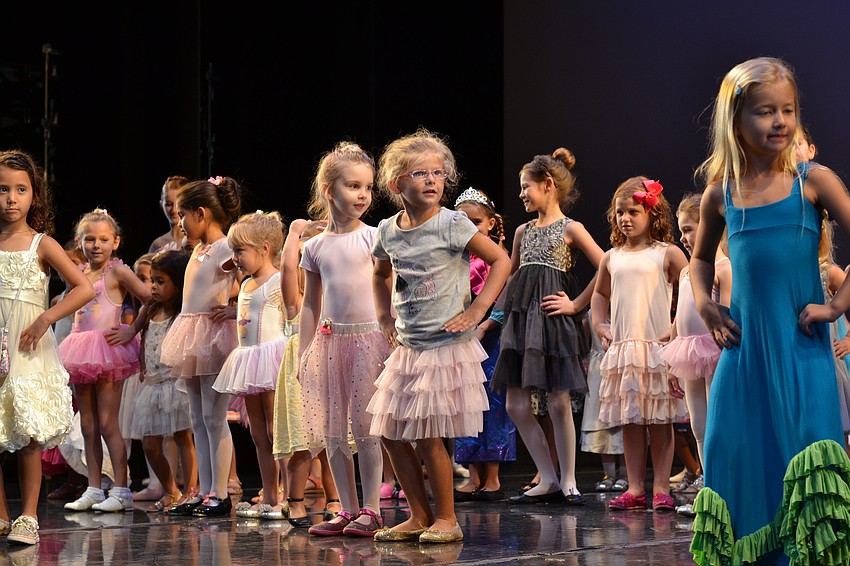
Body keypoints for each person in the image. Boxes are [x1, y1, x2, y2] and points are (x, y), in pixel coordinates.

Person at [691, 56, 850, 564]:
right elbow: (699, 260)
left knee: (805, 456)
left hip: (801, 357)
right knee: (733, 453)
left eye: (788, 110)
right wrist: (707, 306)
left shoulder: (814, 182)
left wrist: (837, 305)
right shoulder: (722, 196)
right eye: (765, 111)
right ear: (735, 120)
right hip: (745, 355)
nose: (779, 121)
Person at [368, 128, 510, 543]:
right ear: (397, 184)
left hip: (444, 348)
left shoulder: (452, 223)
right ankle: (418, 515)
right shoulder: (388, 230)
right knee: (390, 433)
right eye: (420, 173)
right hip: (409, 348)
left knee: (430, 436)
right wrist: (384, 318)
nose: (431, 180)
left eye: (437, 172)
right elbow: (380, 273)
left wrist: (477, 309)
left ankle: (446, 519)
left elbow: (500, 260)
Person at [490, 148, 604, 506]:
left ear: (548, 185)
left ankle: (569, 480)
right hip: (522, 322)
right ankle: (548, 478)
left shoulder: (571, 228)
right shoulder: (523, 231)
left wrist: (576, 304)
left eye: (526, 187)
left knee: (557, 402)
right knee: (515, 404)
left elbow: (607, 265)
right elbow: (508, 276)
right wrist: (487, 318)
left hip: (553, 324)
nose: (521, 194)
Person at [297, 141, 391, 538]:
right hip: (331, 343)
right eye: (353, 186)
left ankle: (372, 508)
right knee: (334, 430)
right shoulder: (315, 246)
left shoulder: (375, 237)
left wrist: (392, 333)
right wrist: (303, 354)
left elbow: (389, 289)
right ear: (328, 190)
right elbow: (308, 305)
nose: (363, 196)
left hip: (369, 340)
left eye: (368, 188)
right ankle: (347, 509)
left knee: (368, 428)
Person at [0, 150, 94, 545]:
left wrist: (46, 319)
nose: (11, 198)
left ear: (34, 196)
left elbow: (84, 288)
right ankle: (1, 515)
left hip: (28, 347)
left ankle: (28, 516)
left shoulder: (42, 244)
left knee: (28, 434)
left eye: (20, 190)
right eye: (3, 189)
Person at [590, 176, 688, 512]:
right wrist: (599, 323)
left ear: (651, 213)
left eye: (633, 211)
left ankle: (661, 486)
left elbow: (692, 287)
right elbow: (600, 294)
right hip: (625, 349)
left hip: (656, 347)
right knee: (631, 421)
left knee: (660, 421)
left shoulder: (666, 253)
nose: (625, 218)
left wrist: (677, 325)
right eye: (620, 212)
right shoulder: (611, 257)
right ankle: (635, 488)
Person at [156, 175, 241, 517]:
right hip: (191, 334)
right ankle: (203, 490)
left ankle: (220, 493)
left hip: (213, 337)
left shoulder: (224, 247)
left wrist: (237, 307)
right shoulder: (199, 249)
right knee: (197, 417)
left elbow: (258, 276)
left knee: (213, 415)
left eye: (183, 215)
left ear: (201, 213)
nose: (179, 222)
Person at [59, 209, 152, 513]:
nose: (96, 245)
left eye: (103, 239)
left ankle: (122, 488)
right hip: (79, 349)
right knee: (87, 424)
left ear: (116, 242)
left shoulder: (118, 271)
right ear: (79, 241)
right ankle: (94, 487)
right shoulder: (78, 273)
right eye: (89, 239)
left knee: (108, 423)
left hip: (108, 351)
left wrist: (132, 329)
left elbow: (149, 298)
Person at [660, 193, 731, 516]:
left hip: (715, 350)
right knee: (699, 425)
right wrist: (672, 363)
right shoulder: (689, 272)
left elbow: (728, 312)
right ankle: (710, 486)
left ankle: (725, 488)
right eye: (682, 231)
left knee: (719, 423)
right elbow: (678, 320)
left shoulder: (724, 267)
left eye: (689, 229)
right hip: (688, 352)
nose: (684, 238)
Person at [213, 211, 286, 520]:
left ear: (265, 248)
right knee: (258, 434)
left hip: (270, 358)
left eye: (240, 251)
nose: (235, 258)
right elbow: (248, 311)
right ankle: (268, 496)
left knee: (275, 430)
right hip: (249, 358)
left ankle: (285, 496)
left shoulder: (280, 281)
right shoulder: (245, 284)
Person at [272, 217, 342, 527]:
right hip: (302, 373)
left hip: (331, 367)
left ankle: (336, 498)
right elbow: (288, 270)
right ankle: (295, 501)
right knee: (302, 444)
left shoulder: (335, 301)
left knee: (332, 442)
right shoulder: (296, 304)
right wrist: (295, 232)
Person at [452, 187, 516, 502]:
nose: (470, 227)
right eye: (462, 221)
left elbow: (505, 298)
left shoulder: (496, 256)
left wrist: (486, 324)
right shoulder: (454, 256)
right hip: (461, 336)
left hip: (492, 338)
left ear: (490, 223)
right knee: (465, 403)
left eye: (476, 221)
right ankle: (472, 475)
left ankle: (492, 477)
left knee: (492, 402)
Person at [130, 250, 198, 513]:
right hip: (153, 384)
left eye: (160, 281)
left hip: (176, 383)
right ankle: (170, 489)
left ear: (177, 284)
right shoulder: (149, 309)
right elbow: (141, 337)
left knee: (183, 437)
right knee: (150, 443)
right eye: (151, 281)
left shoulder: (182, 313)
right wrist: (142, 367)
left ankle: (190, 493)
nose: (153, 287)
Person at [150, 175, 190, 253]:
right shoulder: (158, 244)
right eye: (168, 204)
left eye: (178, 204)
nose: (174, 210)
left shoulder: (196, 240)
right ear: (161, 204)